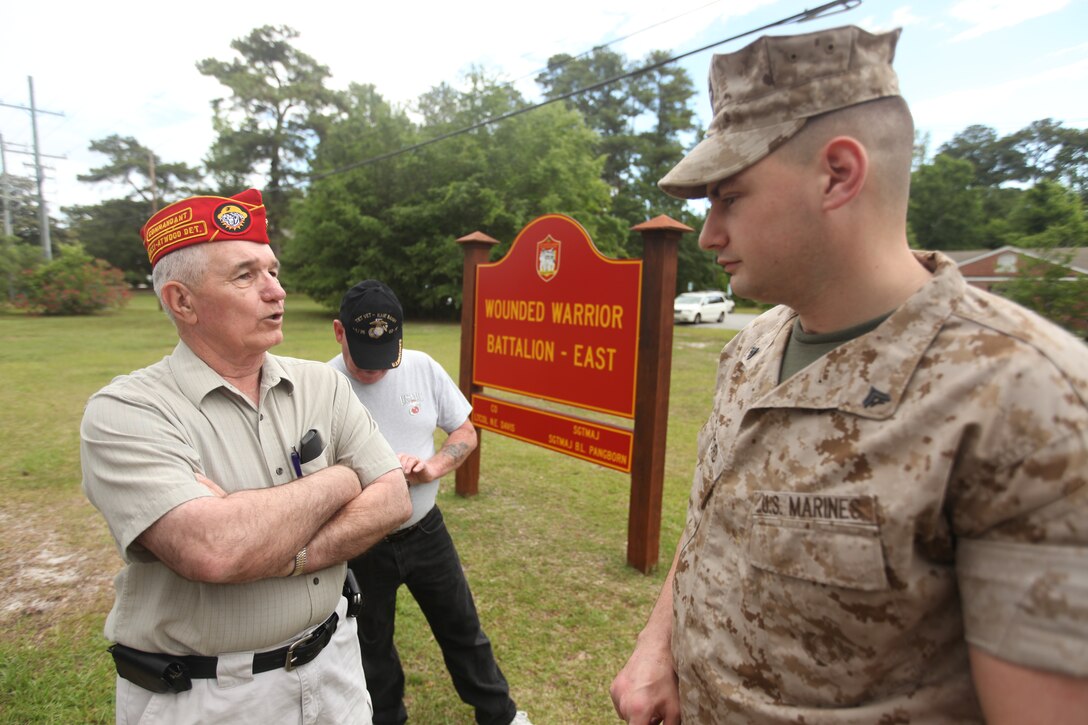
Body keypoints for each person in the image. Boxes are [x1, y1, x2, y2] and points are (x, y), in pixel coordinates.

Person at [610, 24, 1088, 724]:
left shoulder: (1030, 399)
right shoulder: (751, 350)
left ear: (838, 174)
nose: (709, 234)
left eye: (729, 197)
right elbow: (713, 518)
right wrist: (659, 644)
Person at [80, 190, 412, 725]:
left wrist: (280, 548)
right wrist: (345, 479)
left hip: (336, 668)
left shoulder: (320, 384)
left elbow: (394, 498)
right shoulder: (126, 411)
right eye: (245, 275)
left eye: (273, 271)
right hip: (209, 696)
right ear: (181, 301)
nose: (276, 290)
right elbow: (216, 550)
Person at [329, 280, 531, 725]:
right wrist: (372, 477)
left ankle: (499, 715)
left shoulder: (420, 367)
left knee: (462, 627)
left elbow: (464, 432)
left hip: (425, 529)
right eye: (363, 357)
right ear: (339, 332)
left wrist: (432, 467)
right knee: (371, 643)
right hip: (363, 541)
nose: (374, 371)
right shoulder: (323, 387)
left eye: (385, 357)